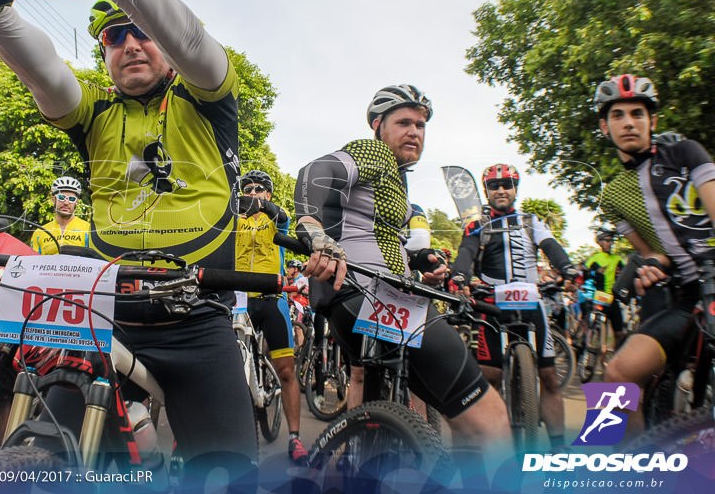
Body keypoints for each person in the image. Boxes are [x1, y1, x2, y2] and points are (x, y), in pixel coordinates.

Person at [0, 0, 255, 474]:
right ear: (104, 55)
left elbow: (191, 37)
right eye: (114, 37)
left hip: (197, 322)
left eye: (142, 32)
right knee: (45, 452)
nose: (131, 44)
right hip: (105, 317)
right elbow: (42, 71)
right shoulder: (92, 111)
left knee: (227, 479)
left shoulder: (209, 96)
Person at [294, 84, 512, 454]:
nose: (415, 131)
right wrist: (312, 230)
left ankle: (359, 464)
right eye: (405, 122)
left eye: (422, 125)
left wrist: (421, 262)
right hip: (373, 293)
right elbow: (315, 171)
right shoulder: (373, 151)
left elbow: (377, 237)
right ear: (378, 125)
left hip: (352, 296)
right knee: (489, 419)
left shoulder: (396, 177)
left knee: (385, 411)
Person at [592, 74, 715, 436]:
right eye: (618, 115)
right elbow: (655, 255)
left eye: (637, 113)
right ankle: (639, 468)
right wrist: (651, 266)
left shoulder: (685, 153)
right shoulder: (614, 194)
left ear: (652, 121)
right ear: (605, 125)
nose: (629, 122)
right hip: (688, 294)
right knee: (616, 376)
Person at [451, 163, 574, 449]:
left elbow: (551, 247)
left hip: (531, 301)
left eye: (507, 184)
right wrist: (460, 275)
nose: (501, 190)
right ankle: (496, 440)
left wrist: (566, 268)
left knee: (550, 378)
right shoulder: (476, 224)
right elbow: (466, 252)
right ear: (486, 191)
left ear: (516, 188)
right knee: (490, 377)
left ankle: (559, 447)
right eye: (494, 186)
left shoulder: (531, 221)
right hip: (492, 303)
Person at [234, 169, 307, 464]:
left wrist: (261, 206)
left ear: (268, 194)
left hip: (271, 299)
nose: (253, 193)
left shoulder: (276, 219)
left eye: (259, 189)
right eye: (247, 189)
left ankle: (295, 437)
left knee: (286, 371)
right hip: (239, 300)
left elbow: (281, 215)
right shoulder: (234, 221)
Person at [583, 229, 627, 347]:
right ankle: (583, 350)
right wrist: (595, 272)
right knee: (593, 328)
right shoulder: (594, 258)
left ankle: (615, 357)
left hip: (613, 297)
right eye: (607, 241)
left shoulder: (617, 259)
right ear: (600, 242)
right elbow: (584, 275)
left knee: (619, 333)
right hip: (600, 296)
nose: (610, 243)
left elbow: (625, 275)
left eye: (611, 241)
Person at [30, 176, 91, 255]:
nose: (66, 202)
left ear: (76, 202)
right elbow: (32, 262)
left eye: (71, 199)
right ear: (53, 199)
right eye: (61, 197)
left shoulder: (88, 229)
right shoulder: (40, 232)